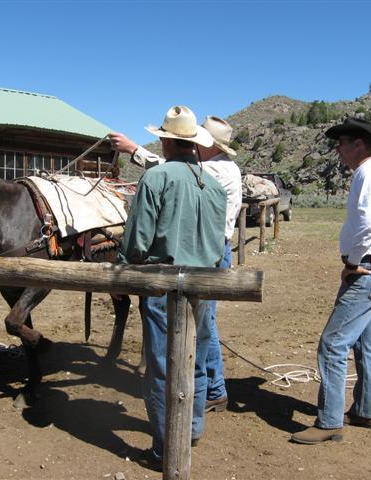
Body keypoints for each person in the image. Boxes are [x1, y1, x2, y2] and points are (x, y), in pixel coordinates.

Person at [117, 106, 227, 470]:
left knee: (163, 366)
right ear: (192, 142)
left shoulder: (157, 178)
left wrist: (125, 267)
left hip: (164, 285)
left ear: (166, 140)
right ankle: (192, 428)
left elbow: (136, 242)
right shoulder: (212, 185)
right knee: (194, 359)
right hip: (204, 284)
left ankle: (166, 445)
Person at [110, 116, 242, 413]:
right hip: (209, 250)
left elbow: (168, 173)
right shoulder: (213, 171)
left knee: (190, 332)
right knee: (202, 325)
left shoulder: (214, 171)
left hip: (198, 251)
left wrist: (134, 150)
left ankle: (195, 402)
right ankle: (207, 394)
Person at [291, 118, 371, 444]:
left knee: (333, 344)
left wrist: (352, 262)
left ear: (360, 144)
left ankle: (329, 422)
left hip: (365, 266)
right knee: (366, 342)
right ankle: (365, 409)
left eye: (342, 141)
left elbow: (367, 222)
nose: (337, 148)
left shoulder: (367, 173)